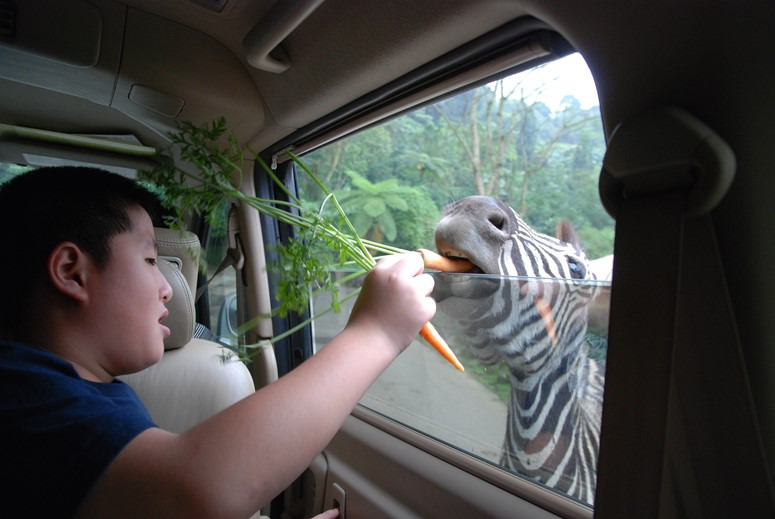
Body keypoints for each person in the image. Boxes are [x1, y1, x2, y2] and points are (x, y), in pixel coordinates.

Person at [0, 167, 436, 518]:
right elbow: (194, 491)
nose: (167, 287)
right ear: (73, 272)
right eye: (152, 260)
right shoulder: (23, 393)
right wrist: (374, 333)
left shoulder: (85, 394)